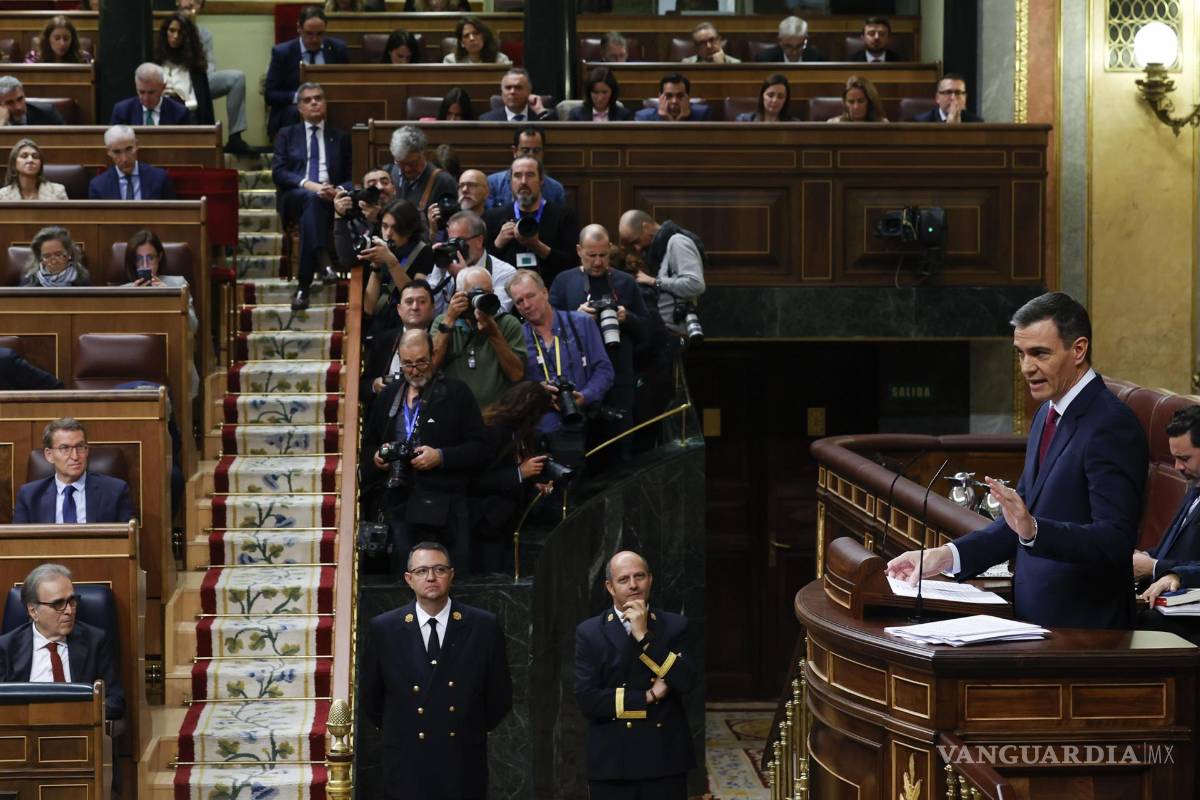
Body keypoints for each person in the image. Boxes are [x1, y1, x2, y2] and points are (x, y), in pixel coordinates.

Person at [886, 292, 1149, 630]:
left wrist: (1035, 530)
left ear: (1078, 350)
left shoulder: (1111, 424)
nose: (1026, 367)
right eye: (1021, 354)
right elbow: (1017, 524)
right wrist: (945, 556)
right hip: (1038, 622)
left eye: (1040, 353)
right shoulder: (1046, 415)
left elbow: (1114, 541)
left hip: (1086, 632)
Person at [359, 541, 512, 799]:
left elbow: (500, 695)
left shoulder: (482, 625)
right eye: (421, 571)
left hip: (462, 759)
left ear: (451, 575)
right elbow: (371, 698)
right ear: (409, 579)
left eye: (439, 569)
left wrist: (466, 727)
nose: (431, 577)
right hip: (407, 761)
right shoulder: (384, 628)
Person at [359, 330, 490, 570]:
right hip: (400, 501)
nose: (415, 370)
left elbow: (481, 448)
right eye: (408, 364)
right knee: (405, 576)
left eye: (421, 362)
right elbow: (368, 446)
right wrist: (378, 456)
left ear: (433, 355)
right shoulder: (388, 396)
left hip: (447, 505)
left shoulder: (456, 393)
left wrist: (441, 456)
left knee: (449, 575)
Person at [575, 550, 697, 799]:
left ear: (650, 579)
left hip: (664, 757)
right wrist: (648, 696)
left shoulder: (675, 625)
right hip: (613, 761)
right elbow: (588, 700)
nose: (633, 585)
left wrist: (644, 637)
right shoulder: (590, 632)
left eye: (639, 576)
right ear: (610, 587)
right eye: (623, 579)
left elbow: (686, 681)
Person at [549, 225, 648, 452]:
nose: (597, 262)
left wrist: (627, 318)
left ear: (610, 250)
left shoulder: (625, 282)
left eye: (603, 255)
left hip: (619, 376)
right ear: (579, 250)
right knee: (580, 448)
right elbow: (548, 326)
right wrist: (576, 317)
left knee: (621, 446)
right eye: (591, 255)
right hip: (577, 379)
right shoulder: (564, 281)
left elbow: (647, 331)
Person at [510, 269, 614, 463]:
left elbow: (604, 370)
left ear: (545, 292)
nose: (526, 305)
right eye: (519, 301)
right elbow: (513, 386)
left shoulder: (581, 323)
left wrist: (585, 396)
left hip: (584, 424)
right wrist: (536, 392)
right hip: (541, 431)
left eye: (530, 296)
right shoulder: (517, 338)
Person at [0, 564, 124, 722]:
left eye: (72, 601)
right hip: (24, 731)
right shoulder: (6, 647)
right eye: (58, 604)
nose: (69, 611)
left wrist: (69, 716)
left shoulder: (96, 641)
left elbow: (115, 701)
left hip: (79, 730)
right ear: (33, 611)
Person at [272, 82, 352, 311]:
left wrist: (337, 190)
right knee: (311, 199)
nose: (314, 102)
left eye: (318, 98)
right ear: (300, 108)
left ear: (325, 104)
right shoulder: (287, 134)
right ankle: (324, 260)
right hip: (295, 196)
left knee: (314, 207)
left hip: (331, 198)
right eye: (308, 100)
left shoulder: (340, 137)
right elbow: (279, 173)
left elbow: (351, 176)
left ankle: (303, 287)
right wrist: (311, 186)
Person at [470, 382, 553, 574]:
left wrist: (533, 485)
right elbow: (474, 480)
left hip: (504, 521)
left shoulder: (518, 433)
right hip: (485, 521)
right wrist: (519, 473)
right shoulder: (493, 431)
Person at [431, 265, 525, 408]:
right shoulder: (443, 322)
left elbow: (517, 374)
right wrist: (449, 319)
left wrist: (494, 334)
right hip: (454, 413)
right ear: (459, 295)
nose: (481, 299)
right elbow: (431, 366)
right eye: (475, 293)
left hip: (498, 414)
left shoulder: (507, 323)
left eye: (487, 293)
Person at [14, 418, 135, 524]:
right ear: (49, 455)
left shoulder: (115, 491)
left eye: (80, 447)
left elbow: (127, 539)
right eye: (65, 448)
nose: (75, 456)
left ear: (87, 451)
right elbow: (19, 541)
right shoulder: (30, 496)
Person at [483, 156, 580, 285]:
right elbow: (482, 266)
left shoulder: (564, 216)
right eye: (517, 175)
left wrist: (537, 245)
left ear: (541, 180)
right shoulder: (493, 217)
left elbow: (571, 263)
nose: (523, 182)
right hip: (506, 290)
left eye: (530, 175)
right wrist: (498, 243)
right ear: (510, 182)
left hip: (550, 289)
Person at [1135, 406, 1200, 596]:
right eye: (1174, 458)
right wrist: (1146, 557)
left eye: (1184, 458)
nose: (1177, 466)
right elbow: (1178, 552)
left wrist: (1157, 568)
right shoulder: (1195, 486)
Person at [177, 0, 251, 155]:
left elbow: (210, 63)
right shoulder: (169, 28)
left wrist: (201, 76)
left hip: (199, 80)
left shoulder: (204, 34)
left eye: (197, 2)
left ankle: (235, 137)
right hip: (176, 82)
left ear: (200, 7)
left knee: (237, 78)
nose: (191, 4)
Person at [619, 210, 706, 340]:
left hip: (674, 333)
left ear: (646, 227)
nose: (637, 248)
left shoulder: (677, 242)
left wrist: (655, 282)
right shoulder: (658, 248)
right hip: (662, 329)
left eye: (636, 241)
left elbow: (696, 285)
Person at [264, 5, 349, 137]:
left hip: (329, 104)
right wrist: (299, 98)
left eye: (320, 34)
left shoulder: (338, 49)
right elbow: (270, 94)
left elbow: (346, 85)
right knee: (295, 112)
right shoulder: (282, 53)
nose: (314, 39)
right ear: (299, 28)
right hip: (293, 110)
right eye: (309, 34)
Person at [362, 199, 436, 335]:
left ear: (409, 230)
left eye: (395, 228)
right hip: (379, 325)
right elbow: (369, 308)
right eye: (384, 226)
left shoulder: (423, 251)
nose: (388, 233)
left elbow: (416, 296)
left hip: (407, 327)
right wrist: (376, 268)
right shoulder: (378, 249)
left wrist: (392, 262)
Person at [361, 280, 437, 406]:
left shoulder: (441, 339)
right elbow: (362, 386)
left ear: (432, 308)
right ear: (399, 309)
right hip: (388, 410)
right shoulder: (383, 340)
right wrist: (374, 385)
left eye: (422, 302)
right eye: (409, 302)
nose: (415, 307)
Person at [428, 210, 515, 315]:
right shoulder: (448, 269)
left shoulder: (505, 272)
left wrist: (464, 277)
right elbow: (432, 313)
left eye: (459, 242)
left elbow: (497, 313)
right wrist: (439, 268)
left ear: (479, 241)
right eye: (451, 242)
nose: (456, 248)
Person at [385, 126, 457, 227]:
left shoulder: (443, 181)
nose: (407, 169)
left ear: (423, 153)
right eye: (401, 164)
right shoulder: (388, 173)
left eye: (412, 163)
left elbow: (451, 226)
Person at [484, 126, 567, 210]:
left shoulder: (555, 189)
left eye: (536, 151)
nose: (531, 155)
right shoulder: (492, 184)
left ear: (542, 152)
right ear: (514, 151)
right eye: (525, 150)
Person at [155, 12, 214, 125]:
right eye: (172, 31)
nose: (176, 36)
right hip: (161, 114)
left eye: (181, 32)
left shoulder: (195, 64)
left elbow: (205, 105)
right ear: (165, 32)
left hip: (189, 113)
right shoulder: (157, 61)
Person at [89, 125, 177, 200]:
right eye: (117, 152)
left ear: (136, 146)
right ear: (108, 152)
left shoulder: (160, 178)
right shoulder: (98, 186)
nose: (125, 159)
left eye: (129, 149)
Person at [110, 63, 190, 126]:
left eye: (151, 92)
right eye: (141, 92)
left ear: (163, 87)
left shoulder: (179, 113)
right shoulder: (122, 111)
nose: (146, 98)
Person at [20, 226, 90, 287]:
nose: (53, 261)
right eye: (47, 256)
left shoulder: (81, 279)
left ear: (69, 253)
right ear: (40, 258)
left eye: (58, 255)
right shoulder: (30, 281)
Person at [0, 139, 67, 201]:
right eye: (24, 156)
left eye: (35, 156)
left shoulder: (58, 192)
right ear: (14, 163)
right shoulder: (2, 195)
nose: (30, 160)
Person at [478, 68, 552, 122]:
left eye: (518, 87)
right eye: (508, 88)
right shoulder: (487, 120)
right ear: (502, 92)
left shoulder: (543, 116)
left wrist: (540, 111)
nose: (512, 92)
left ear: (529, 91)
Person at [633, 73, 712, 122]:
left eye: (680, 96)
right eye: (669, 96)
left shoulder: (703, 114)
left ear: (688, 98)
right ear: (660, 97)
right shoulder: (644, 117)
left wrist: (679, 119)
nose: (674, 101)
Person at [913, 74, 984, 123]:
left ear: (965, 98)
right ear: (937, 98)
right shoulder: (922, 122)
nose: (953, 98)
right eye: (948, 92)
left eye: (958, 93)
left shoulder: (976, 122)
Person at [754, 16, 826, 63]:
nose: (794, 53)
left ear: (805, 40)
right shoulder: (765, 60)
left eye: (799, 46)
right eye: (788, 47)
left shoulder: (817, 58)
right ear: (780, 41)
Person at [443, 16, 510, 64]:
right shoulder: (451, 61)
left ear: (484, 36)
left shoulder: (501, 60)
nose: (472, 38)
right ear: (462, 42)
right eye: (466, 36)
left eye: (476, 33)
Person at [24, 16, 92, 64]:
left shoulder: (84, 58)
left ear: (72, 39)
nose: (62, 43)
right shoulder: (33, 57)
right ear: (48, 38)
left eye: (66, 38)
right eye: (57, 38)